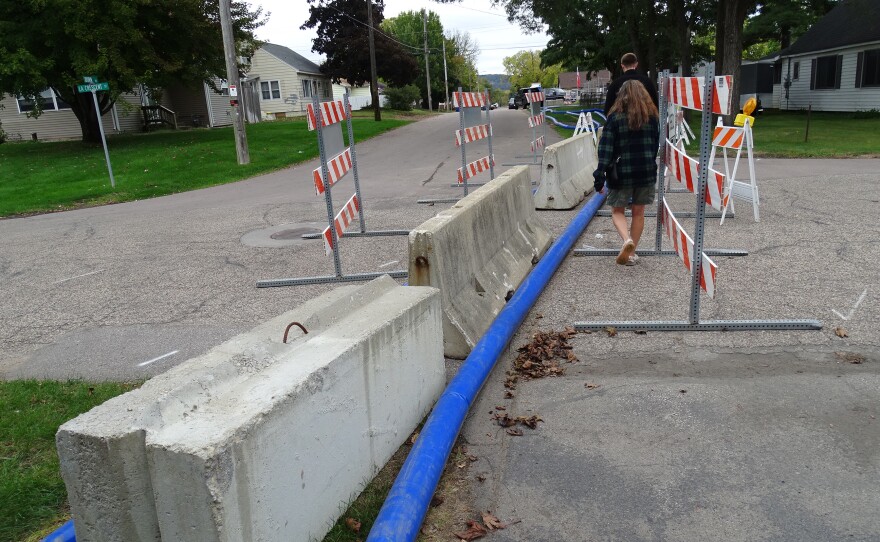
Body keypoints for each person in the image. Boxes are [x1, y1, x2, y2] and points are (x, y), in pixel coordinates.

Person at [593, 80, 660, 266]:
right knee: (639, 212)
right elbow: (655, 146)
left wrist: (599, 176)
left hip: (622, 172)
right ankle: (631, 254)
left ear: (621, 97)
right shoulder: (653, 118)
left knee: (617, 210)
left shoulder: (615, 119)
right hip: (646, 172)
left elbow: (605, 150)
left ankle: (626, 240)